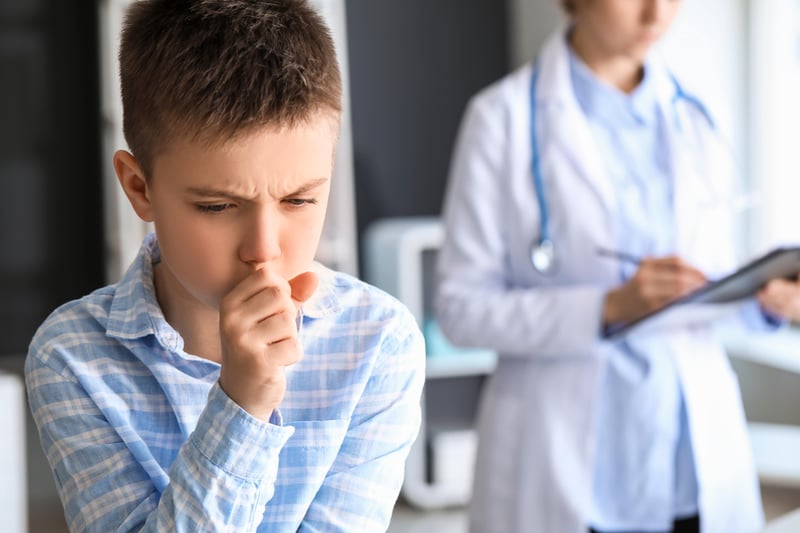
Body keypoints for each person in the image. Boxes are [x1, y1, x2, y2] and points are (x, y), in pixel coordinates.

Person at [25, 1, 425, 531]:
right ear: (139, 188)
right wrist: (241, 407)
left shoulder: (377, 342)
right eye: (216, 207)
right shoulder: (74, 355)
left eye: (300, 201)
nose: (264, 249)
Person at [435, 1, 800, 532]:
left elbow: (703, 287)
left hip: (688, 459)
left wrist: (764, 302)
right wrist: (607, 308)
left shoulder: (698, 112)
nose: (656, 14)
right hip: (569, 462)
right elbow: (460, 309)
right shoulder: (503, 118)